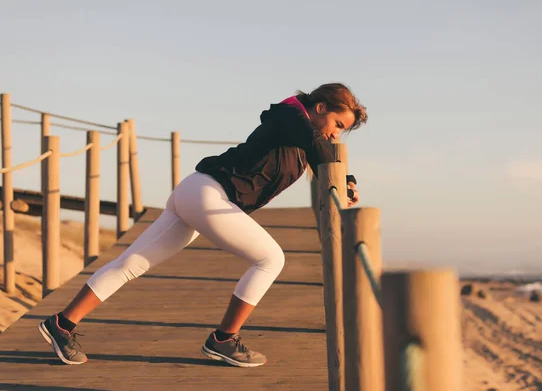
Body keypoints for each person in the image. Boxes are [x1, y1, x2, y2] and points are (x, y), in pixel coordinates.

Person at [38, 83, 368, 367]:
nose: (335, 134)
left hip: (197, 192)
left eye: (342, 131)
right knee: (271, 259)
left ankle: (61, 324)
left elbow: (322, 157)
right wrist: (339, 166)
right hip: (209, 193)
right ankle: (223, 339)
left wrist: (346, 179)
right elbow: (317, 146)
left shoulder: (304, 136)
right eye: (337, 124)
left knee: (131, 264)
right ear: (320, 106)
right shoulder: (290, 115)